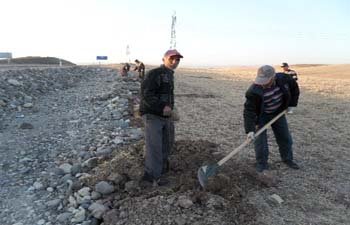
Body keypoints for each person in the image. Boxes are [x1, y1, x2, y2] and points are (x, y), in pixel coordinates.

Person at [243, 65, 300, 173]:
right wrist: (250, 130)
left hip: (278, 113)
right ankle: (262, 164)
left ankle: (287, 159)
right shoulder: (253, 91)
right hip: (261, 117)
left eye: (266, 81)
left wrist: (292, 104)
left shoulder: (284, 78)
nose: (262, 84)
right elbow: (249, 111)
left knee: (285, 138)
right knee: (260, 141)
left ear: (273, 77)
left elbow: (294, 88)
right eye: (261, 81)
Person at [139, 49, 183, 186]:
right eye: (172, 59)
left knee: (167, 143)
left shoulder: (169, 75)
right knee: (155, 146)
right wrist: (162, 107)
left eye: (177, 59)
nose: (175, 61)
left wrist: (171, 108)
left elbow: (166, 95)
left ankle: (161, 171)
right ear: (164, 59)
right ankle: (150, 178)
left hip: (166, 116)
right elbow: (146, 94)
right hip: (153, 115)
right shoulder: (154, 74)